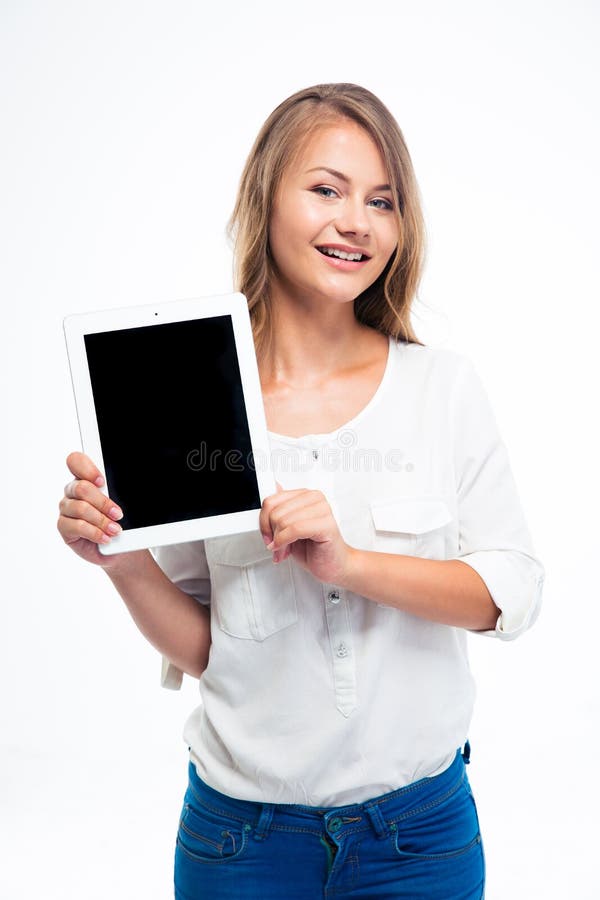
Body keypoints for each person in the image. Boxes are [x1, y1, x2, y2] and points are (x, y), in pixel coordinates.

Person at [57, 83, 544, 899]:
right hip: (239, 844)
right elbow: (207, 649)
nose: (356, 221)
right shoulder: (188, 401)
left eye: (382, 200)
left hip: (418, 841)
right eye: (326, 189)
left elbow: (511, 597)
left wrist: (349, 564)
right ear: (266, 200)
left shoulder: (443, 389)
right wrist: (120, 559)